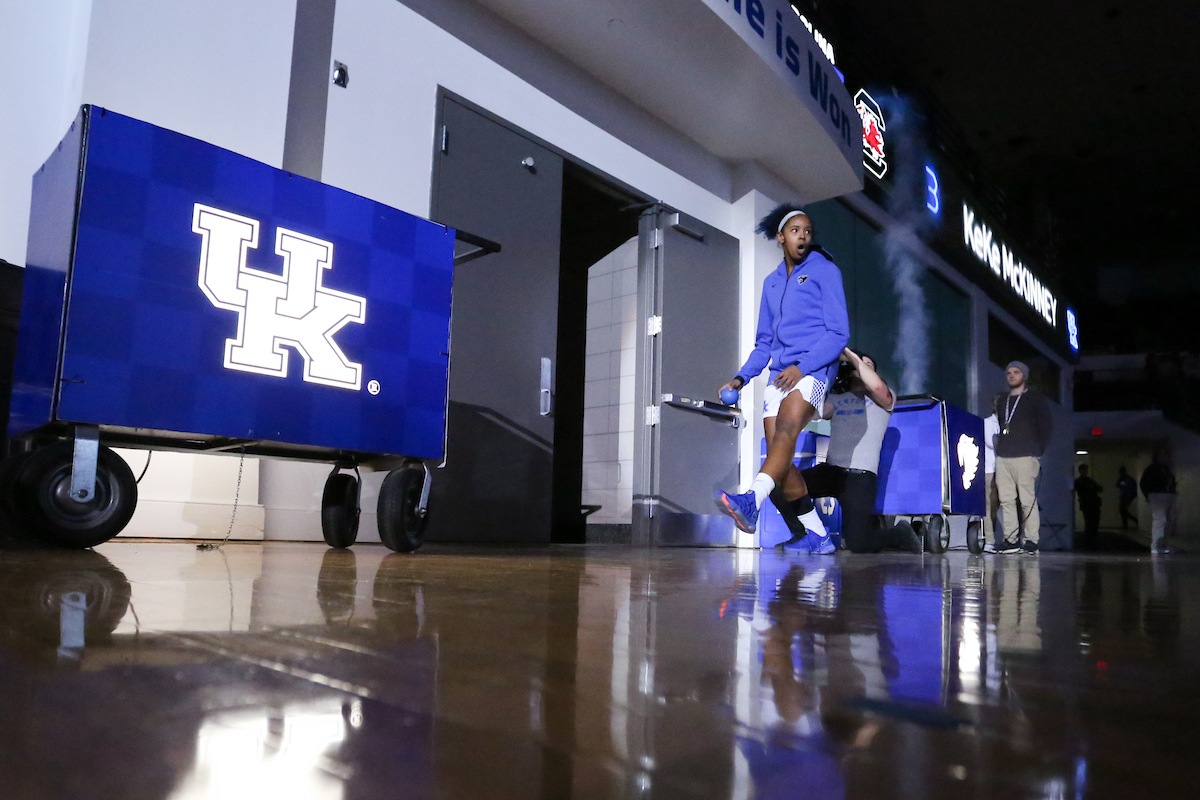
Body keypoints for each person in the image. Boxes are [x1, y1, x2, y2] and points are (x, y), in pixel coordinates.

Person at [715, 205, 850, 554]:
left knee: (787, 430)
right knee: (782, 461)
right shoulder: (772, 283)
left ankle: (749, 503)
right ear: (780, 236)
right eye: (794, 230)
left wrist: (803, 368)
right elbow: (764, 343)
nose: (803, 235)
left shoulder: (825, 271)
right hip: (780, 375)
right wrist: (740, 378)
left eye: (807, 230)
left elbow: (838, 333)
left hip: (813, 370)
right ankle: (817, 535)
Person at [774, 349, 920, 554]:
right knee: (778, 486)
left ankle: (899, 533)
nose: (860, 367)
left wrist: (849, 354)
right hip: (832, 472)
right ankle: (803, 535)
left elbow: (877, 386)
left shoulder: (883, 399)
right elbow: (814, 412)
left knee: (859, 544)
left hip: (860, 478)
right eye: (858, 365)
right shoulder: (837, 399)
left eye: (867, 365)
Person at [992, 361, 1054, 553]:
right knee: (1006, 500)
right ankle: (1010, 539)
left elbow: (1046, 427)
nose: (1011, 375)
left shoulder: (1035, 399)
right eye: (1009, 373)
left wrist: (1038, 451)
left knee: (1027, 500)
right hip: (1003, 456)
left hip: (1026, 456)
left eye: (1016, 372)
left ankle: (1031, 540)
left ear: (1024, 376)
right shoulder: (1002, 400)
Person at [1140, 448, 1176, 554]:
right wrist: (1148, 494)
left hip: (1167, 495)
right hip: (1158, 495)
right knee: (1161, 519)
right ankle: (1156, 545)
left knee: (1168, 520)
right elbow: (1144, 483)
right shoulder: (1153, 469)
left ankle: (1163, 544)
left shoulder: (1166, 469)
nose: (1166, 458)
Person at [982, 413, 1001, 552]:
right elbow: (991, 443)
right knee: (989, 506)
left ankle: (1011, 539)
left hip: (1003, 470)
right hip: (990, 470)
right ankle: (989, 540)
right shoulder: (988, 423)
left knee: (1001, 505)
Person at [1074, 465, 1102, 550]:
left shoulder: (1088, 481)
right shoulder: (1080, 481)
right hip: (1087, 504)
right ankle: (1089, 541)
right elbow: (1086, 490)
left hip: (1093, 503)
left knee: (1094, 523)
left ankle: (1092, 541)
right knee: (1090, 523)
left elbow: (1098, 488)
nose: (1086, 472)